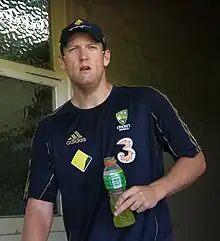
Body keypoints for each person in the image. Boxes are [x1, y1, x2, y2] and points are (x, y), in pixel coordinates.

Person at [21, 18, 206, 241]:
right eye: (73, 49)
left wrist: (157, 190)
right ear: (62, 61)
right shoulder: (50, 130)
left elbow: (195, 160)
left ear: (105, 57)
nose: (83, 56)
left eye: (92, 47)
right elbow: (39, 207)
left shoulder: (145, 102)